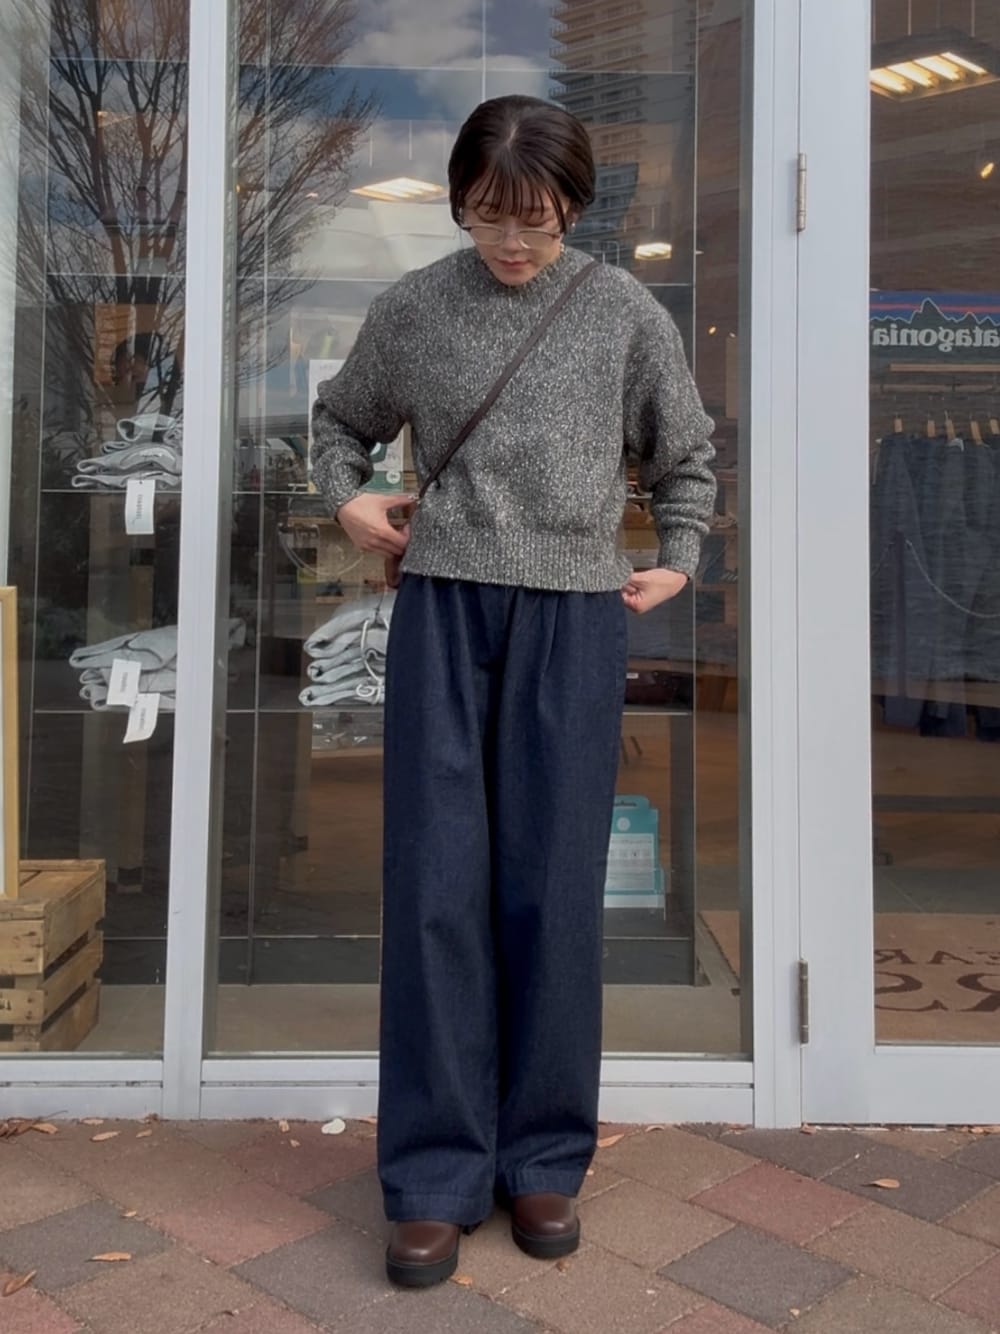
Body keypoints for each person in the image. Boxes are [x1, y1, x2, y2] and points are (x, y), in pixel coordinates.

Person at [311, 94, 716, 1288]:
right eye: (489, 214)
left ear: (574, 209)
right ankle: (433, 1172)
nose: (511, 241)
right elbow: (337, 424)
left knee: (551, 885)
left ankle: (542, 1152)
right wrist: (348, 500)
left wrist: (679, 554)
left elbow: (685, 452)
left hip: (573, 617)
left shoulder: (620, 311)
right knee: (434, 883)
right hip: (443, 607)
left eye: (535, 218)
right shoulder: (415, 307)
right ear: (458, 203)